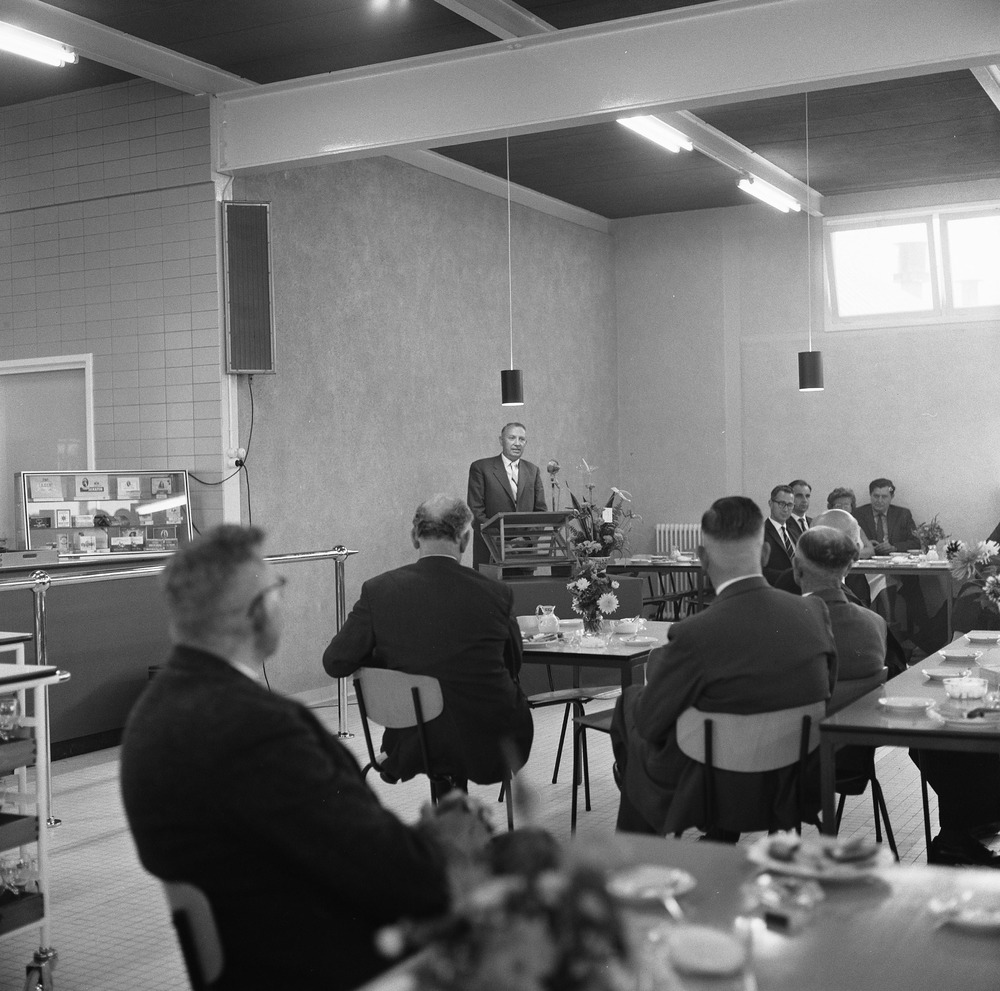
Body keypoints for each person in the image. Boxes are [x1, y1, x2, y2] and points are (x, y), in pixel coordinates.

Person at [120, 525, 491, 991]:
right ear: (258, 611)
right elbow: (386, 873)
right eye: (277, 588)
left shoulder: (153, 713)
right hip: (330, 961)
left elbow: (326, 837)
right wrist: (446, 847)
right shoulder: (258, 729)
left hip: (256, 950)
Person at [610, 496, 837, 836]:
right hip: (794, 781)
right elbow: (827, 692)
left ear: (702, 558)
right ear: (764, 554)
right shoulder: (814, 613)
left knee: (631, 704)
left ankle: (637, 843)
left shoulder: (693, 632)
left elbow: (651, 723)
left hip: (715, 788)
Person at [324, 494, 533, 786]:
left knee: (432, 718)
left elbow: (335, 662)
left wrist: (382, 658)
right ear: (465, 539)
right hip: (490, 743)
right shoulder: (497, 593)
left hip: (414, 740)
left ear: (414, 537)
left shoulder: (379, 591)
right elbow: (514, 663)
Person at [792, 526, 887, 712]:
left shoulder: (789, 623)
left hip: (802, 727)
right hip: (863, 724)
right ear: (848, 569)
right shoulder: (876, 623)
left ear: (796, 567)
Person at [467, 422, 547, 571]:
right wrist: (502, 541)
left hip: (524, 553)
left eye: (522, 439)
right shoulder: (481, 468)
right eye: (512, 438)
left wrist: (525, 539)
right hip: (490, 553)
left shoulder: (533, 470)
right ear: (501, 440)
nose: (517, 443)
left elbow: (541, 512)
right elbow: (475, 512)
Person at [762, 484, 797, 585]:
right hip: (775, 588)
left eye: (790, 505)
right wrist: (790, 577)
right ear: (770, 503)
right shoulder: (761, 533)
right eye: (781, 504)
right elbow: (761, 569)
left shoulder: (795, 531)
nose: (785, 509)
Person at [827, 487, 874, 558]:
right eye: (838, 506)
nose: (842, 509)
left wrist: (850, 555)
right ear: (831, 508)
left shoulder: (856, 525)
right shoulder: (826, 527)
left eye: (846, 505)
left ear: (852, 508)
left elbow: (871, 550)